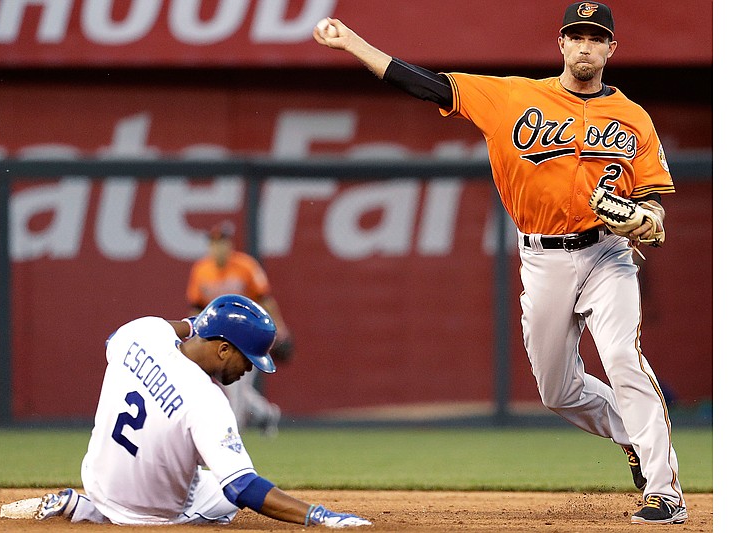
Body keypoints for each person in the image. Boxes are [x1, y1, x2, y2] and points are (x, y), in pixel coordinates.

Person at [313, 2, 686, 525]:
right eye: (576, 36)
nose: (585, 46)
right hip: (542, 258)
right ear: (561, 44)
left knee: (623, 356)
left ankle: (663, 489)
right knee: (558, 391)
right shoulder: (512, 97)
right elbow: (430, 86)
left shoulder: (633, 117)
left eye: (595, 38)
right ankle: (631, 436)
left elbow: (654, 205)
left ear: (610, 49)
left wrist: (644, 220)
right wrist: (354, 44)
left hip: (607, 254)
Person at [34, 294, 370, 528]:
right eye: (247, 359)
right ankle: (98, 514)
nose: (248, 370)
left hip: (97, 480)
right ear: (223, 349)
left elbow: (117, 339)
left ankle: (85, 506)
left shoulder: (140, 333)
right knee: (229, 498)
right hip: (151, 516)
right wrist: (316, 515)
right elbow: (242, 487)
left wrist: (197, 326)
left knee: (205, 476)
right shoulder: (207, 402)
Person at [185, 220, 293, 436]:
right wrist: (194, 334)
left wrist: (280, 328)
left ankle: (231, 436)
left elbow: (265, 300)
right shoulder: (201, 270)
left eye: (222, 241)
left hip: (246, 335)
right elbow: (196, 307)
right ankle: (266, 413)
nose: (218, 247)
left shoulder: (246, 266)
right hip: (218, 338)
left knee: (236, 390)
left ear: (229, 244)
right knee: (236, 388)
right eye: (214, 242)